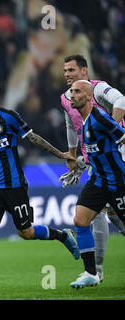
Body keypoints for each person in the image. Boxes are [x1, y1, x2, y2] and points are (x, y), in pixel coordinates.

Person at [0, 77, 79, 294]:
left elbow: (34, 139)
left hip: (14, 185)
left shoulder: (8, 117)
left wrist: (60, 154)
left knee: (26, 232)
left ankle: (63, 235)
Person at [59, 54, 125, 281]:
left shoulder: (99, 90)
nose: (67, 74)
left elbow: (122, 102)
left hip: (117, 163)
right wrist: (73, 157)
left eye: (71, 70)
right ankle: (94, 270)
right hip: (96, 166)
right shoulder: (67, 100)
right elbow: (70, 125)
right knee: (88, 217)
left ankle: (95, 269)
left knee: (113, 214)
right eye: (65, 70)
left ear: (84, 71)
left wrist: (112, 132)